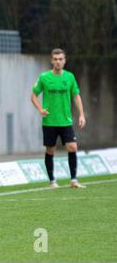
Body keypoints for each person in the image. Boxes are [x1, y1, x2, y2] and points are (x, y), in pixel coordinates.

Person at [31, 48, 86, 189]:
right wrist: (40, 109)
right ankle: (52, 181)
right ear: (51, 61)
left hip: (65, 121)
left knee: (72, 147)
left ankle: (73, 180)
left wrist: (81, 114)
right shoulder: (44, 78)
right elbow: (33, 96)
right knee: (50, 150)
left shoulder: (70, 77)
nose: (58, 62)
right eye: (55, 59)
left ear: (64, 61)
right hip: (49, 121)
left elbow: (76, 96)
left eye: (60, 59)